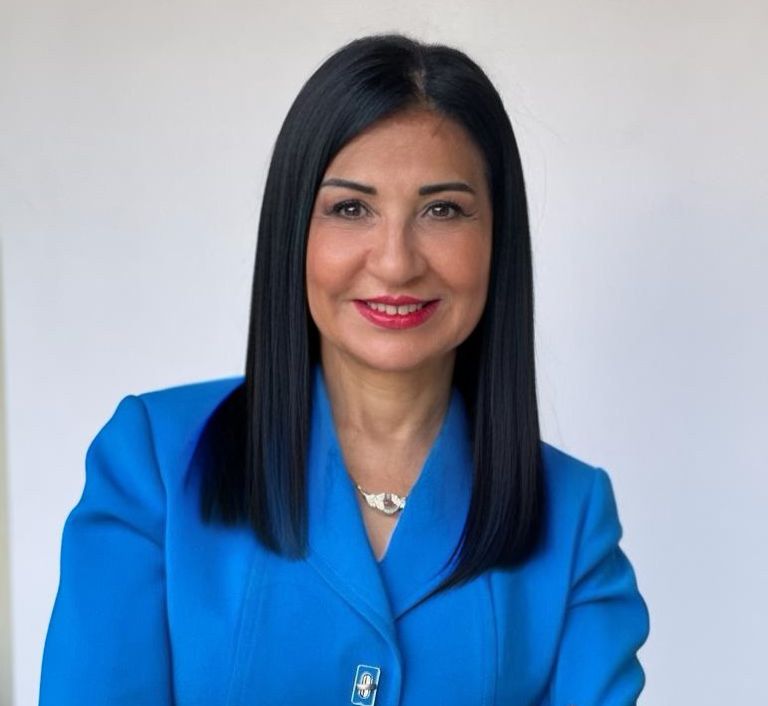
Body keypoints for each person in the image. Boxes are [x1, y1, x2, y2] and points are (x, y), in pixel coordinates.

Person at [40, 34, 649, 706]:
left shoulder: (573, 516)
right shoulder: (153, 463)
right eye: (351, 209)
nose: (395, 262)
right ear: (294, 230)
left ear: (497, 239)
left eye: (442, 210)